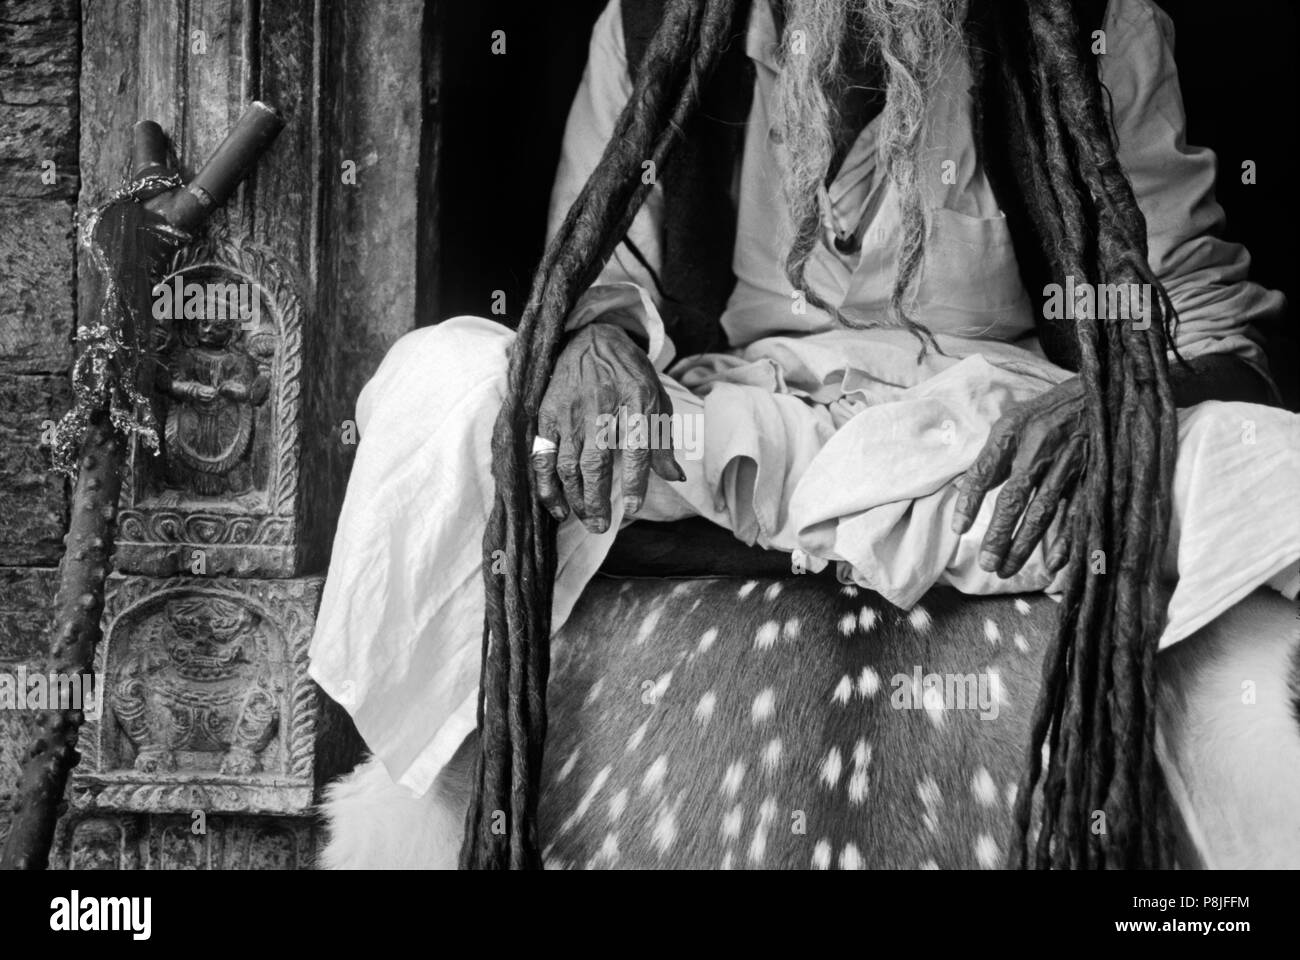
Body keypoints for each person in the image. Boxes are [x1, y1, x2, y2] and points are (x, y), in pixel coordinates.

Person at [309, 0, 1300, 868]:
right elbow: (598, 279)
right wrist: (588, 341)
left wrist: (1118, 403)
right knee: (450, 377)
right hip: (728, 437)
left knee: (1270, 462)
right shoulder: (653, 24)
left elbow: (1202, 321)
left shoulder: (1094, 23)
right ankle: (443, 792)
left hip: (985, 458)